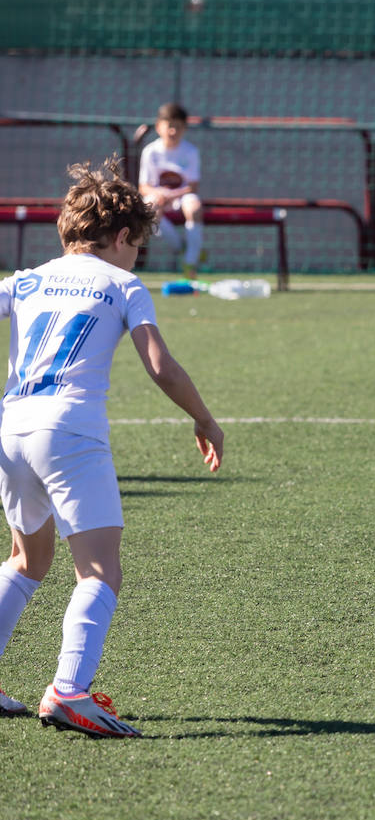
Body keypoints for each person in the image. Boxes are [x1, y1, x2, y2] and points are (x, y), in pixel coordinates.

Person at [0, 159, 224, 736]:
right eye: (138, 246)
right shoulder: (123, 283)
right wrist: (203, 417)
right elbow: (161, 367)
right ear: (122, 237)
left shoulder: (24, 279)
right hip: (70, 432)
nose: (136, 257)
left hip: (12, 429)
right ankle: (70, 693)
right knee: (98, 571)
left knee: (29, 560)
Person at [138, 102, 206, 280]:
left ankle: (190, 263)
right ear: (159, 127)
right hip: (157, 197)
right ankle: (181, 247)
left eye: (179, 127)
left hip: (182, 197)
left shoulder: (190, 151)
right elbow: (144, 186)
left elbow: (192, 186)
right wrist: (160, 194)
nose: (173, 132)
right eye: (170, 126)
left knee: (195, 208)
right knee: (149, 208)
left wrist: (171, 195)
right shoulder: (150, 151)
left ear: (185, 128)